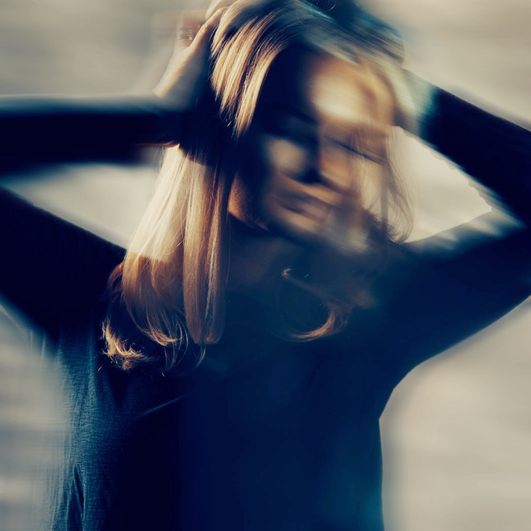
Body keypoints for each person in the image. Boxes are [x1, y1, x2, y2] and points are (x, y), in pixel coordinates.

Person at [1, 0, 531, 529]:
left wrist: (413, 96)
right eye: (291, 129)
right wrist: (155, 120)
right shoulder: (96, 300)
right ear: (221, 123)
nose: (323, 168)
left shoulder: (368, 318)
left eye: (351, 145)